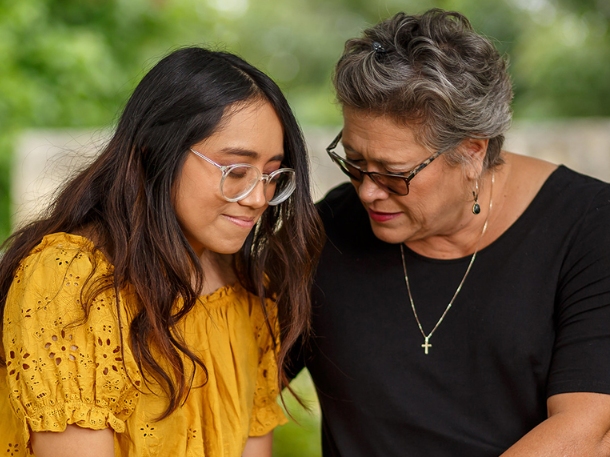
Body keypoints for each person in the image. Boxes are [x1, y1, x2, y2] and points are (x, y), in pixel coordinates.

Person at [288, 8, 610, 457]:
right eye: (355, 161)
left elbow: (584, 431)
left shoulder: (592, 227)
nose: (366, 191)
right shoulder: (325, 233)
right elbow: (234, 380)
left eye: (395, 172)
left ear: (472, 152)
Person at [0, 46, 323, 457]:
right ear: (156, 151)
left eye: (273, 175)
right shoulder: (69, 279)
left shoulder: (250, 294)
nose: (259, 197)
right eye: (236, 171)